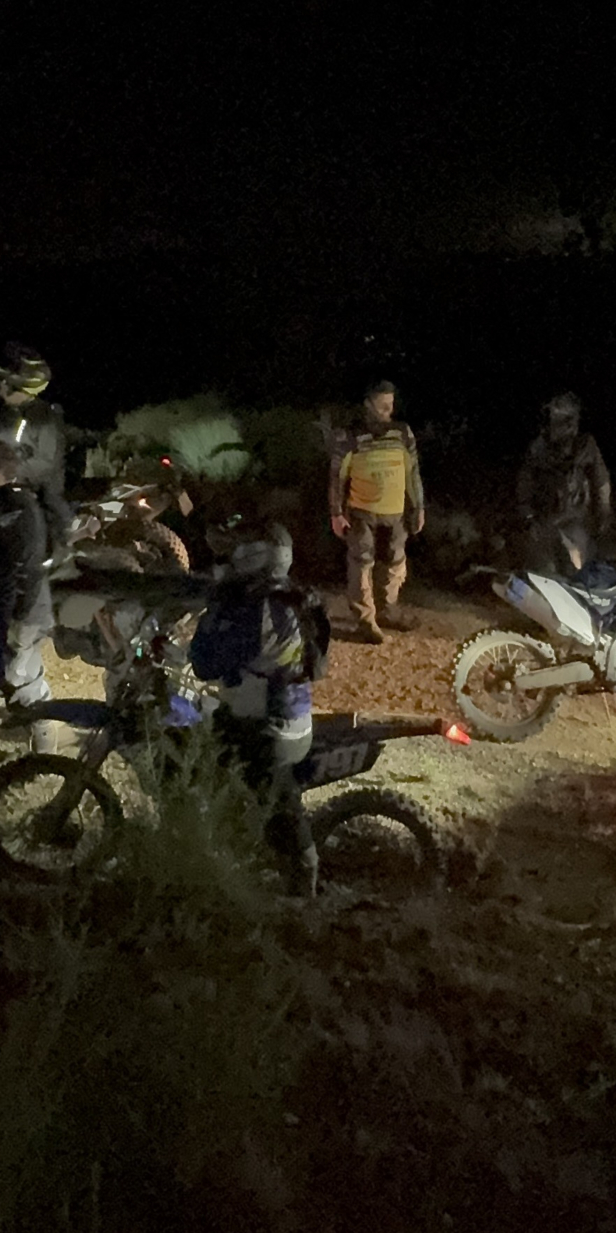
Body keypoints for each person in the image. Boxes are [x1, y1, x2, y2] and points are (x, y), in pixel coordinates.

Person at [189, 525, 324, 896]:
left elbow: (204, 663)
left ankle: (303, 875)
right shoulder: (287, 596)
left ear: (254, 557)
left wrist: (212, 612)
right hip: (277, 711)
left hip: (270, 725)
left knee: (216, 764)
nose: (226, 561)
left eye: (234, 552)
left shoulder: (260, 609)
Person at [0, 433, 59, 735]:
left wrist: (20, 615)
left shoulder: (16, 505)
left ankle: (47, 738)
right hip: (1, 604)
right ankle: (36, 727)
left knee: (21, 678)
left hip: (21, 607)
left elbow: (29, 564)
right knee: (5, 673)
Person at [328, 380, 425, 644]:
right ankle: (365, 622)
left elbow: (412, 473)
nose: (388, 409)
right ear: (368, 404)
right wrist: (336, 513)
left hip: (396, 513)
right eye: (382, 404)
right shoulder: (349, 436)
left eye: (390, 404)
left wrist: (418, 508)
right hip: (361, 512)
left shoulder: (402, 433)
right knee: (361, 563)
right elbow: (337, 477)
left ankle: (387, 611)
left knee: (396, 561)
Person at [0, 343, 71, 552]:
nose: (0, 387)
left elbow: (46, 462)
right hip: (1, 488)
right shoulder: (3, 414)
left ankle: (63, 544)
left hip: (35, 489)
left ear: (19, 386)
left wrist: (8, 474)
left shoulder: (45, 419)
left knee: (52, 504)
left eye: (5, 382)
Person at [516, 391, 611, 573]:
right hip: (546, 520)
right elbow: (524, 486)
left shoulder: (586, 446)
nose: (553, 426)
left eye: (561, 421)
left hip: (576, 519)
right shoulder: (538, 449)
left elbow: (601, 483)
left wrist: (603, 513)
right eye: (554, 420)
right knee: (543, 568)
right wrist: (529, 518)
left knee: (575, 566)